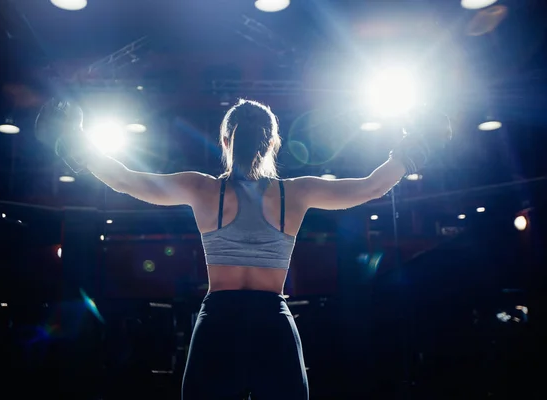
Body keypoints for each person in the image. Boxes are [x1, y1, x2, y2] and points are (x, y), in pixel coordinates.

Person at [35, 98, 451, 399]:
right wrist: (414, 147)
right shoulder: (295, 193)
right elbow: (371, 187)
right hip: (273, 320)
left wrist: (76, 142)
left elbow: (125, 179)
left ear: (226, 140)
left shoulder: (203, 188)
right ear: (273, 143)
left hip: (219, 321)